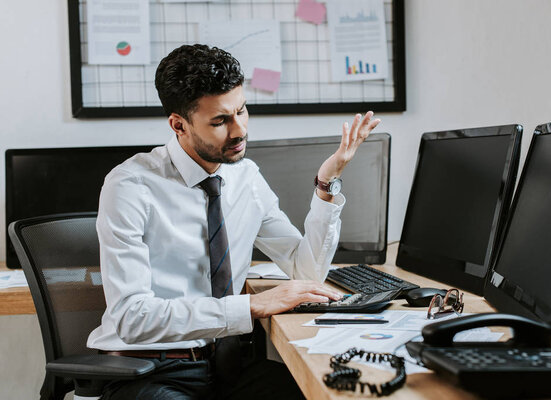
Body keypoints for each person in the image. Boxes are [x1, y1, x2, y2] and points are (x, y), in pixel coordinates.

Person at [87, 43, 381, 399]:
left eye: (241, 111)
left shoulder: (246, 176)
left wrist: (326, 185)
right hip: (146, 369)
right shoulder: (131, 186)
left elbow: (306, 273)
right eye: (220, 121)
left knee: (326, 392)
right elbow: (131, 318)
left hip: (225, 365)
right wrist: (252, 305)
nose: (239, 130)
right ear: (178, 125)